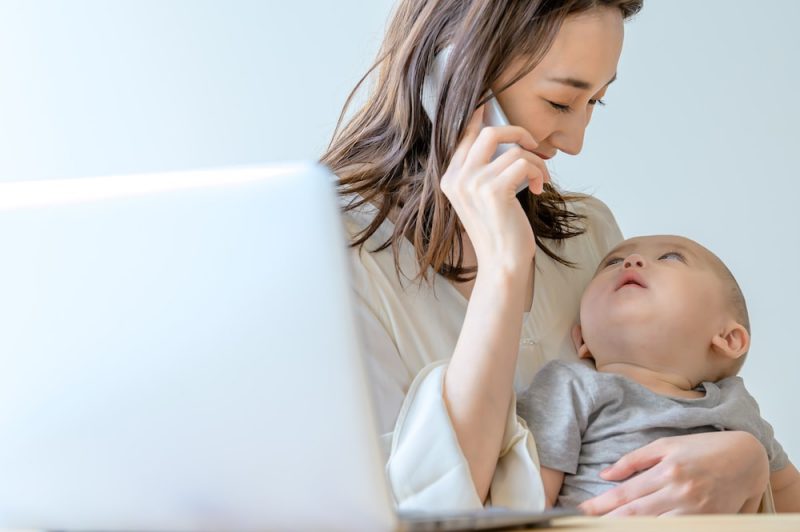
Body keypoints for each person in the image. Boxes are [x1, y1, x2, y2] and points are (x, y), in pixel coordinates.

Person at [320, 0, 774, 515]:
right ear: (450, 77)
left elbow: (678, 397)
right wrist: (504, 273)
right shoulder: (331, 259)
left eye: (595, 103)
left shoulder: (592, 237)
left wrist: (749, 459)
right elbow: (426, 513)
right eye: (561, 103)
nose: (576, 142)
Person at [517, 235, 800, 513]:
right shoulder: (568, 385)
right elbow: (529, 503)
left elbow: (788, 494)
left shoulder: (735, 404)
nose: (630, 261)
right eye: (612, 262)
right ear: (582, 340)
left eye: (671, 257)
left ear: (728, 338)